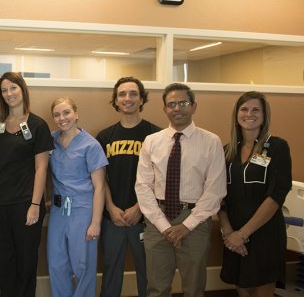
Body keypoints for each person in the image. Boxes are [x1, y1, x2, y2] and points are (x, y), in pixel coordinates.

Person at [135, 83, 227, 297]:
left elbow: (215, 190)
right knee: (157, 287)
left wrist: (187, 225)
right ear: (165, 109)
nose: (177, 108)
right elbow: (143, 186)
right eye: (171, 104)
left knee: (194, 287)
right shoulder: (151, 141)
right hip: (157, 218)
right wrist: (163, 226)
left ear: (194, 106)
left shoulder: (211, 142)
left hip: (195, 219)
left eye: (183, 103)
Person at [219, 91, 292, 296]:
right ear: (236, 114)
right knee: (243, 289)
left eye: (255, 110)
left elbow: (277, 194)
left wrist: (244, 234)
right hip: (233, 232)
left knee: (261, 290)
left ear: (264, 115)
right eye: (244, 109)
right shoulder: (227, 151)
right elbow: (219, 196)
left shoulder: (276, 147)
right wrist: (229, 233)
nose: (249, 114)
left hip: (264, 232)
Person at [0, 72, 52, 297]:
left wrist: (35, 204)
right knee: (4, 261)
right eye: (4, 90)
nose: (9, 94)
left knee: (26, 262)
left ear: (22, 90)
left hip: (26, 203)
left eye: (13, 88)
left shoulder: (38, 125)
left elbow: (41, 168)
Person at [96, 77, 160, 297]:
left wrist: (140, 208)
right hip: (113, 217)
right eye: (122, 94)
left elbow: (159, 179)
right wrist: (111, 207)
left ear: (142, 99)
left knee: (148, 272)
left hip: (145, 217)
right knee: (111, 270)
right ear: (116, 100)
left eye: (133, 93)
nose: (127, 98)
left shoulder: (156, 135)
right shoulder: (105, 136)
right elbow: (100, 179)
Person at [48, 97, 107, 297]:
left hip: (83, 211)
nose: (62, 118)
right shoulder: (51, 140)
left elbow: (99, 187)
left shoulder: (90, 145)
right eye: (57, 114)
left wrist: (96, 223)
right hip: (57, 211)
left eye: (66, 112)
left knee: (83, 266)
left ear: (76, 113)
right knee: (57, 264)